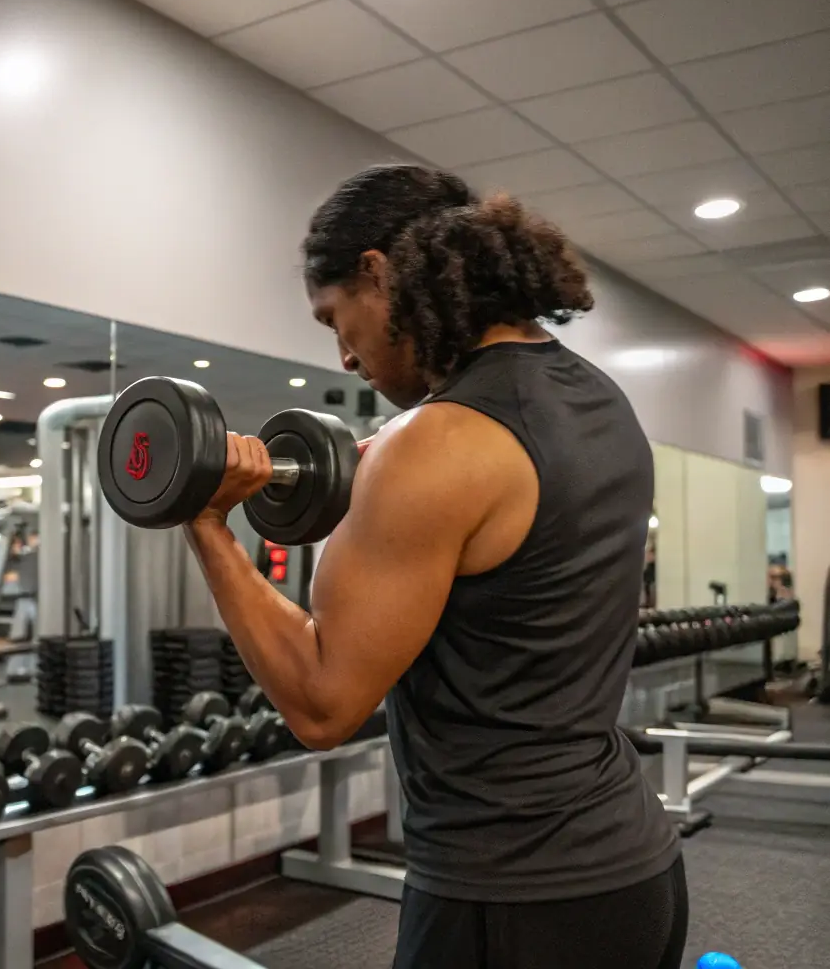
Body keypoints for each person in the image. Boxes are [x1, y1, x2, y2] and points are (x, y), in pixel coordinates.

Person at [184, 165, 686, 969]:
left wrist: (204, 521)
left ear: (377, 274)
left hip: (511, 898)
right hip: (632, 871)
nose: (343, 354)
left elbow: (322, 707)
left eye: (333, 317)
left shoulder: (436, 443)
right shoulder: (596, 400)